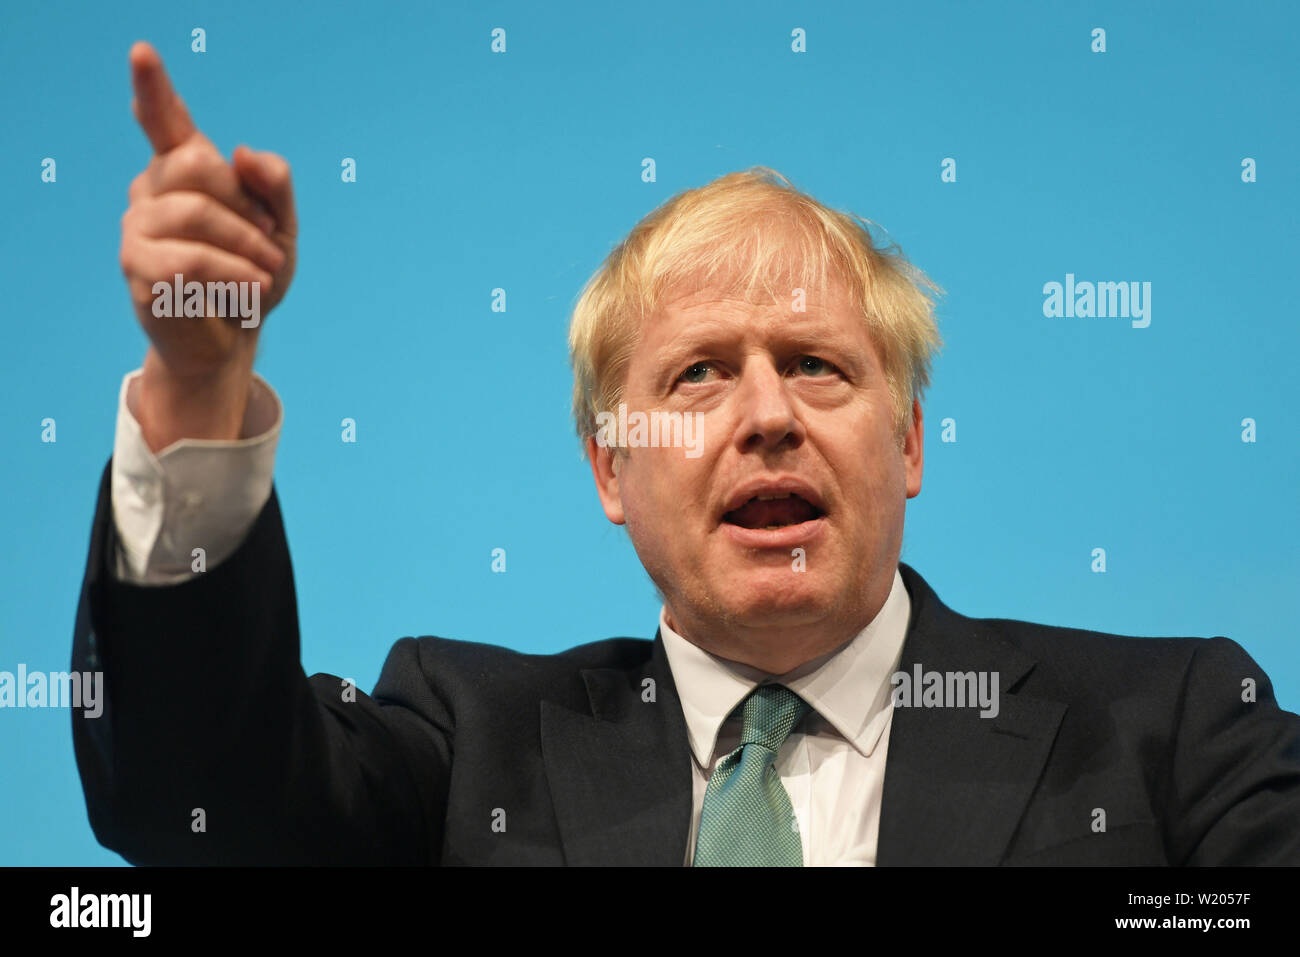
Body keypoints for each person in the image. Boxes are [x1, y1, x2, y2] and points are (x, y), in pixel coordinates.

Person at [72, 41, 1300, 866]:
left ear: (910, 441)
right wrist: (197, 383)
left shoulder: (1173, 733)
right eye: (698, 375)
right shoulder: (463, 750)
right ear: (611, 469)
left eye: (818, 366)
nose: (767, 415)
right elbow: (192, 801)